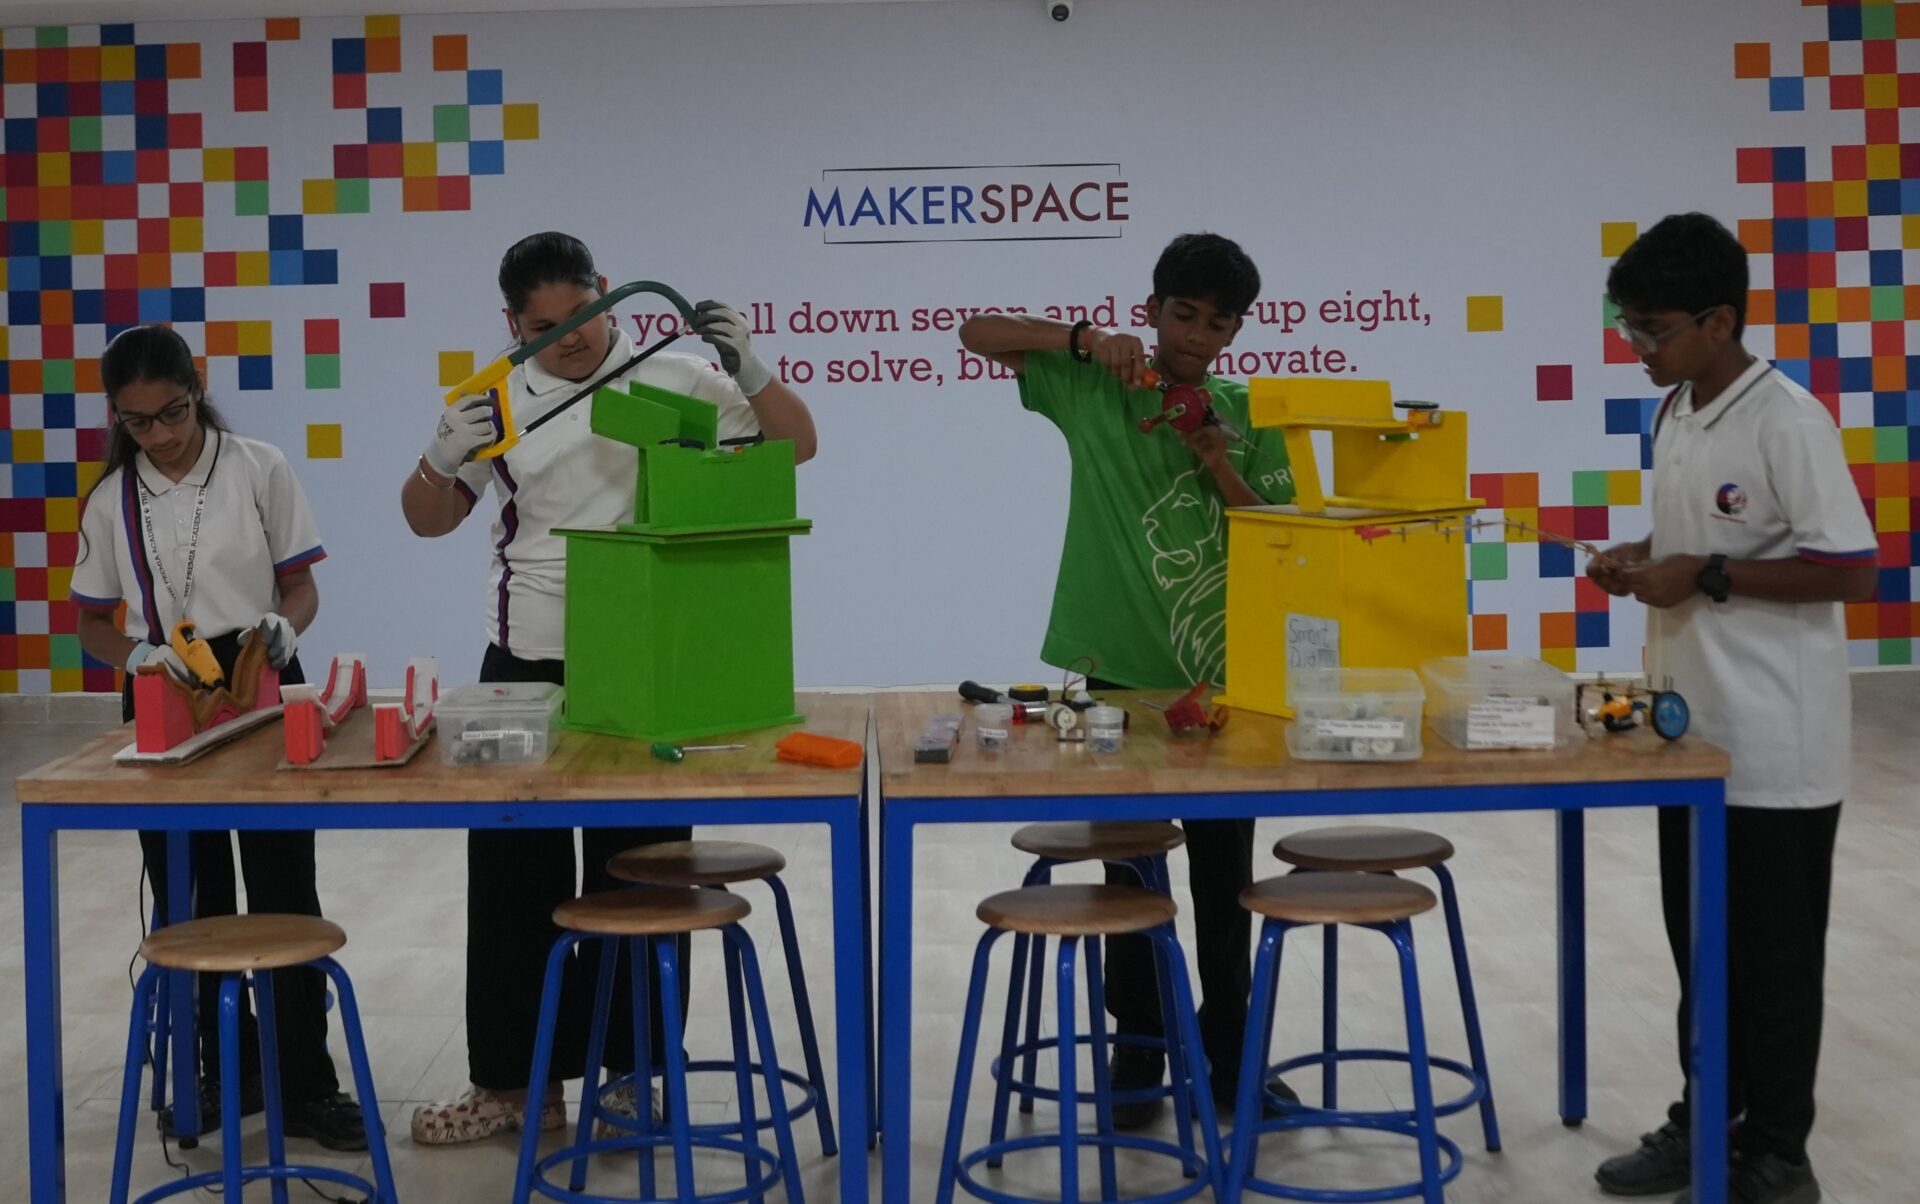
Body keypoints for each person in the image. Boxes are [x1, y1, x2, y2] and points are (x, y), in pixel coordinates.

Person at [402, 231, 817, 1144]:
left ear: (606, 295)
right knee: (512, 874)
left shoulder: (676, 375)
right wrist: (437, 460)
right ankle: (515, 1087)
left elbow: (798, 447)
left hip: (646, 655)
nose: (570, 338)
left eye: (582, 313)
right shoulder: (495, 398)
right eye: (544, 325)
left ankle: (636, 1079)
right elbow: (429, 520)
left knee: (644, 870)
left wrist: (749, 367)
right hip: (528, 659)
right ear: (512, 323)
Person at [958, 232, 1296, 1125]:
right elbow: (975, 332)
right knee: (1131, 877)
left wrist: (1216, 456)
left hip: (1224, 679)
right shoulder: (1097, 385)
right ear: (1151, 312)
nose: (1198, 337)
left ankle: (1230, 1053)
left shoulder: (1250, 410)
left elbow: (1281, 537)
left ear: (1236, 332)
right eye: (1183, 315)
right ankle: (1141, 1053)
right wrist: (1077, 340)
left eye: (1218, 325)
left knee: (1226, 880)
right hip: (1112, 680)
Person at [1590, 212, 1876, 1204]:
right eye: (1626, 327)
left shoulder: (1786, 418)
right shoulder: (1674, 411)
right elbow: (1706, 536)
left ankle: (1778, 1155)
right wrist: (1641, 558)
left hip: (1775, 749)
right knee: (1700, 948)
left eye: (1651, 329)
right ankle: (1705, 1115)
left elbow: (1850, 566)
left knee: (1774, 965)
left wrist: (1704, 571)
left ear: (1718, 321)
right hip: (1690, 736)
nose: (1637, 347)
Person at [71, 324, 365, 1150]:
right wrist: (137, 654)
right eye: (139, 423)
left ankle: (305, 1080)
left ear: (197, 390)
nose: (161, 436)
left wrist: (284, 622)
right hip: (164, 685)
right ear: (117, 420)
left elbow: (301, 586)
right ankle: (216, 1072)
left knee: (283, 890)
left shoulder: (258, 467)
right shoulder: (111, 499)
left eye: (173, 413)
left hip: (261, 674)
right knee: (190, 898)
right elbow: (94, 621)